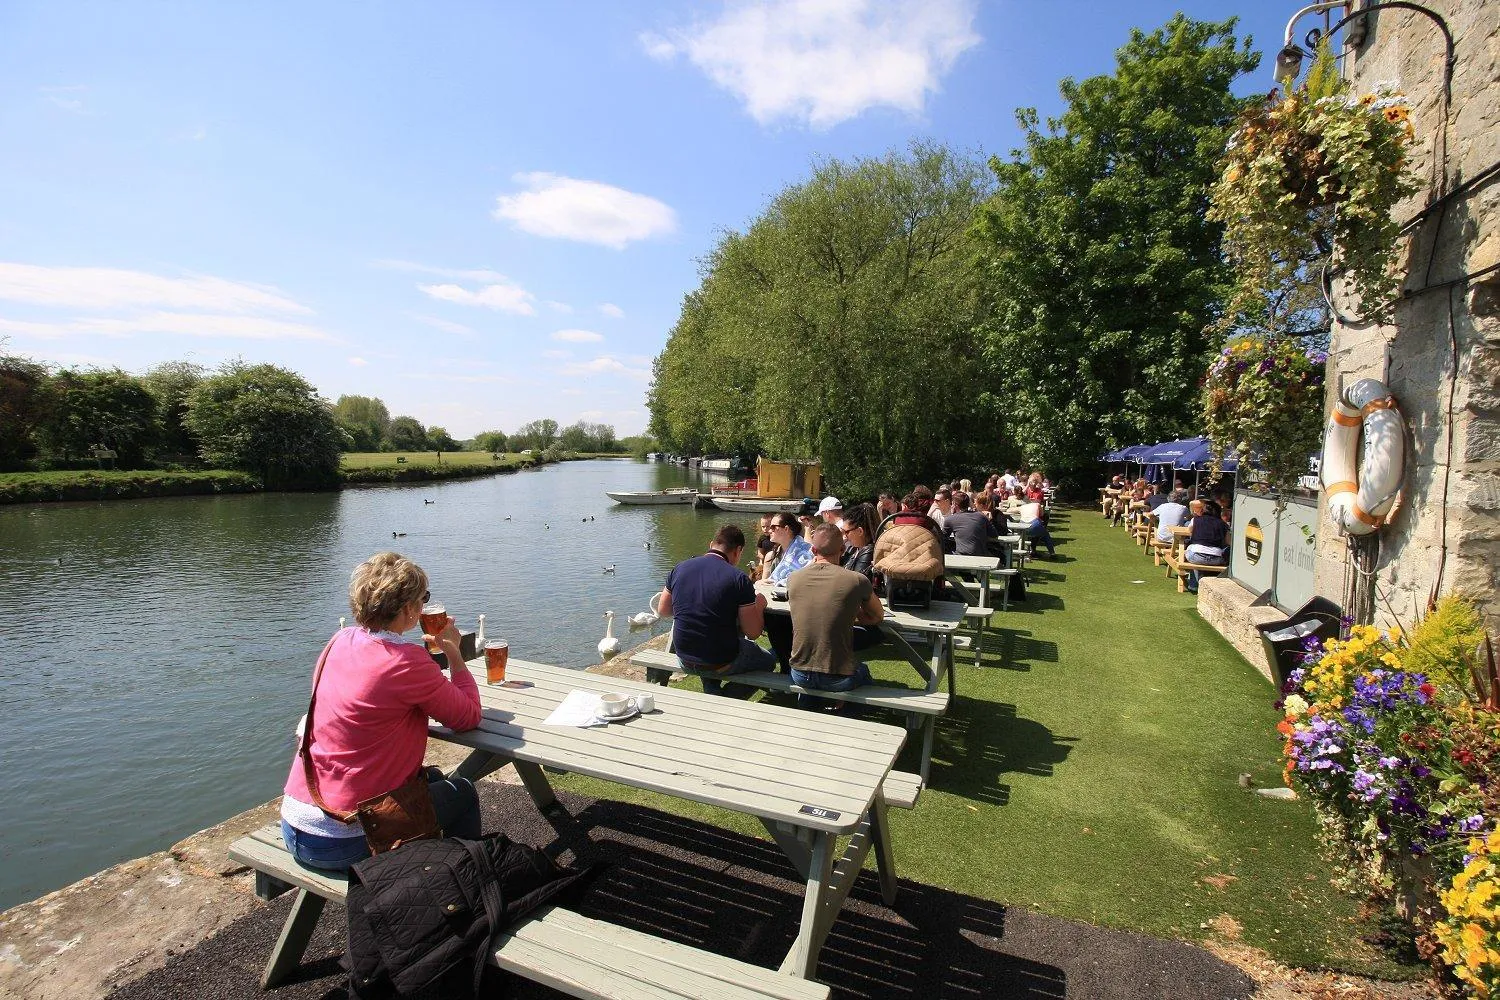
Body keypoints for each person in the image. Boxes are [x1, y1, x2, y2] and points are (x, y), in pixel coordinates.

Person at [281, 552, 482, 872]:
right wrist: (454, 653)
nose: (423, 605)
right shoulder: (406, 661)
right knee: (463, 792)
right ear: (408, 609)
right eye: (422, 599)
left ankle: (428, 869)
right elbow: (468, 716)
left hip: (294, 824)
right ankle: (463, 886)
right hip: (344, 839)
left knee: (431, 779)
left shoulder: (338, 641)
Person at [656, 524, 775, 694]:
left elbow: (663, 611)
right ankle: (723, 701)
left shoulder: (679, 568)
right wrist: (760, 605)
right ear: (738, 550)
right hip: (720, 659)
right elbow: (754, 632)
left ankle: (712, 690)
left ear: (712, 544)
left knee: (711, 645)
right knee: (768, 661)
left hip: (684, 656)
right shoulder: (738, 579)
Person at [787, 524, 884, 709]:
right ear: (842, 549)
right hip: (838, 677)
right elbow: (878, 616)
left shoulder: (793, 578)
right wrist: (852, 614)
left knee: (814, 681)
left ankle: (809, 710)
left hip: (798, 673)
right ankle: (851, 712)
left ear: (813, 549)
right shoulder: (856, 580)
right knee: (862, 671)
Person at [763, 513, 816, 672]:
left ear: (786, 529)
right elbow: (770, 579)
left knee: (776, 622)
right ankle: (786, 667)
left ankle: (790, 668)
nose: (769, 531)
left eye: (773, 527)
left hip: (799, 606)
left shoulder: (805, 551)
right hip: (779, 604)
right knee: (771, 619)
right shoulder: (777, 552)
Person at [1182, 500, 1230, 594]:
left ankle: (1193, 585)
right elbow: (1228, 542)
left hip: (1197, 555)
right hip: (1216, 558)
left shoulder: (1195, 519)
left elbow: (1189, 530)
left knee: (1190, 549)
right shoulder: (1223, 524)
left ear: (1203, 510)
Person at [943, 491, 999, 556]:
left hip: (961, 556)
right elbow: (994, 535)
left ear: (955, 505)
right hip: (981, 555)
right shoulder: (981, 516)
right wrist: (989, 520)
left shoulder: (950, 519)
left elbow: (942, 537)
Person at [838, 502, 879, 579]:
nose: (845, 536)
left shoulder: (869, 552)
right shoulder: (853, 549)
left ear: (860, 531)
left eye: (846, 532)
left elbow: (855, 582)